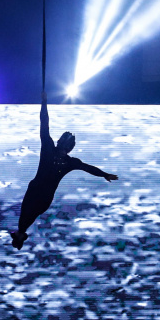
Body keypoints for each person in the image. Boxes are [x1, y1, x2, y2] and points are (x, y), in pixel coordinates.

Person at [11, 91, 118, 249]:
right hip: (39, 195)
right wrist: (44, 103)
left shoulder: (62, 157)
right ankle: (20, 234)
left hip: (39, 195)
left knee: (27, 215)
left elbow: (88, 168)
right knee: (27, 216)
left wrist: (104, 174)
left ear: (66, 145)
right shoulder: (54, 151)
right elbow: (44, 123)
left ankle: (20, 235)